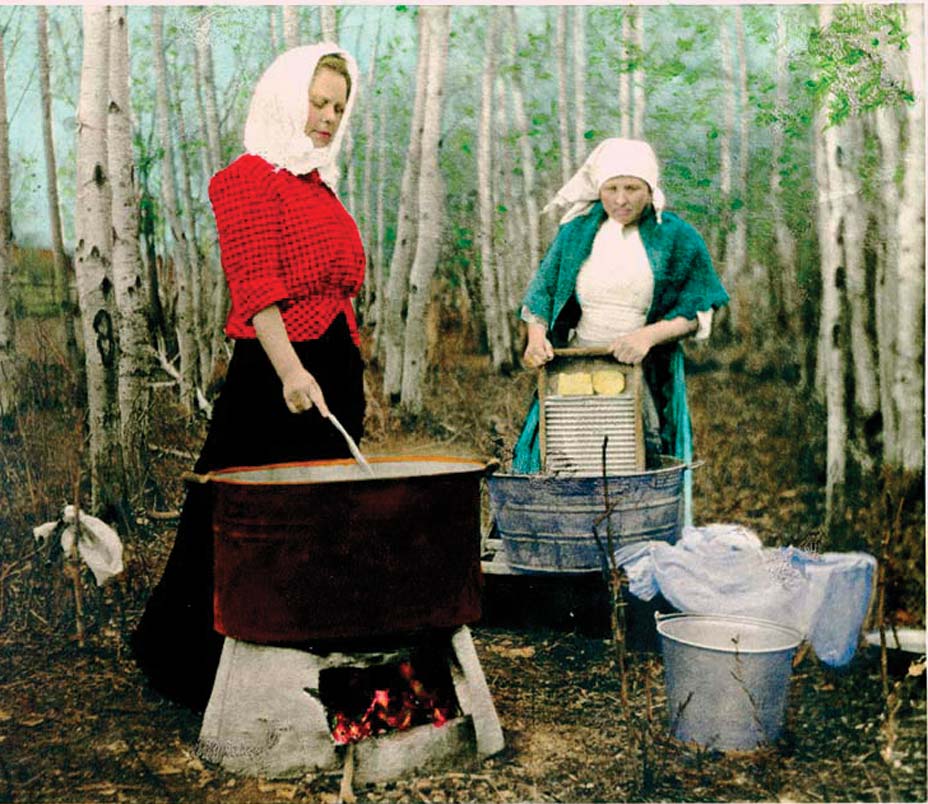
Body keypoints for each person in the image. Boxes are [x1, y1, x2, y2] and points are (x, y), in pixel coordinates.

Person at [131, 43, 366, 711]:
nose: (327, 117)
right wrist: (291, 371)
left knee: (325, 519)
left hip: (334, 365)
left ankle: (301, 662)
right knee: (244, 519)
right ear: (286, 99)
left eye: (338, 108)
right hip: (276, 376)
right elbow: (257, 288)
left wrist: (340, 366)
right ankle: (192, 667)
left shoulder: (319, 185)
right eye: (318, 102)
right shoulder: (246, 178)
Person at [513, 138, 729, 525]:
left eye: (632, 188)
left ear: (650, 188)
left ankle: (632, 547)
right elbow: (542, 292)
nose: (621, 200)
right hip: (578, 366)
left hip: (641, 371)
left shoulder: (675, 235)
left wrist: (647, 336)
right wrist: (536, 335)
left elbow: (700, 309)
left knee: (637, 462)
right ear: (598, 189)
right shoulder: (578, 232)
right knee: (570, 460)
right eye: (611, 189)